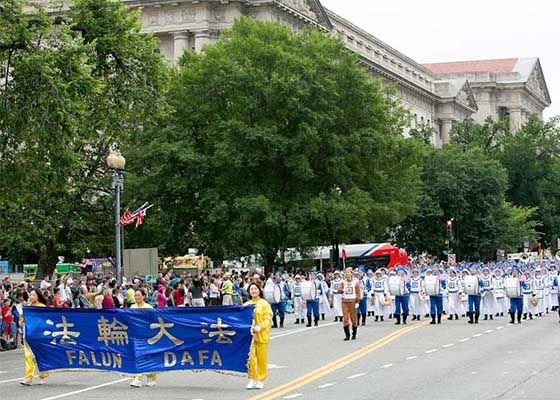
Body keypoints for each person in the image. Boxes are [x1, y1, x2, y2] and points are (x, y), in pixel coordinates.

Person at [244, 281, 273, 390]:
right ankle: (252, 378)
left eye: (255, 289)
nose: (253, 291)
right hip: (249, 336)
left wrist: (260, 326)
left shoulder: (264, 303)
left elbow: (268, 318)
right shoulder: (246, 305)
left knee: (261, 359)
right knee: (250, 358)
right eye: (251, 289)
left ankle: (260, 379)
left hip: (261, 335)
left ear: (259, 290)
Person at [21, 289, 49, 386]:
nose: (31, 296)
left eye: (33, 295)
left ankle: (42, 376)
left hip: (39, 336)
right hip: (28, 337)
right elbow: (22, 322)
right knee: (28, 357)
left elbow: (44, 321)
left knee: (40, 356)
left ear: (38, 296)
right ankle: (28, 378)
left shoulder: (42, 307)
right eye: (30, 295)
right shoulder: (27, 308)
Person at [130, 289, 157, 388]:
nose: (136, 297)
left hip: (147, 335)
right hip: (136, 335)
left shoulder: (148, 307)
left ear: (143, 296)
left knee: (148, 356)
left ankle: (152, 376)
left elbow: (152, 321)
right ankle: (137, 378)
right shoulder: (132, 307)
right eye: (135, 296)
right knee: (137, 356)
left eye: (138, 295)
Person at [338, 267, 361, 340]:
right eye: (346, 273)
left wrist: (357, 301)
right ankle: (347, 335)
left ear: (351, 274)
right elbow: (338, 290)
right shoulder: (343, 282)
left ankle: (354, 334)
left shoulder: (355, 282)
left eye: (349, 273)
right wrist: (342, 290)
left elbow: (358, 293)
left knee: (354, 319)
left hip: (353, 302)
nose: (348, 275)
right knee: (345, 319)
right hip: (345, 302)